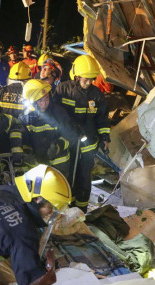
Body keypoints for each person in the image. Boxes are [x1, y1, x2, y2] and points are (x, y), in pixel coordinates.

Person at [54, 55, 110, 213]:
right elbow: (55, 113)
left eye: (92, 79)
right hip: (67, 141)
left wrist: (105, 137)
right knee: (66, 176)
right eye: (86, 79)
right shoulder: (63, 89)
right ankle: (66, 208)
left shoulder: (96, 94)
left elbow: (102, 118)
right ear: (77, 75)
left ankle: (81, 211)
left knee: (84, 178)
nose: (89, 82)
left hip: (88, 144)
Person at [19, 79, 75, 177]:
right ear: (32, 102)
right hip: (35, 167)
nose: (44, 103)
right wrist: (28, 155)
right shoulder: (24, 118)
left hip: (59, 165)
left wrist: (58, 146)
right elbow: (23, 141)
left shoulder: (59, 112)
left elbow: (70, 135)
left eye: (46, 98)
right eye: (40, 100)